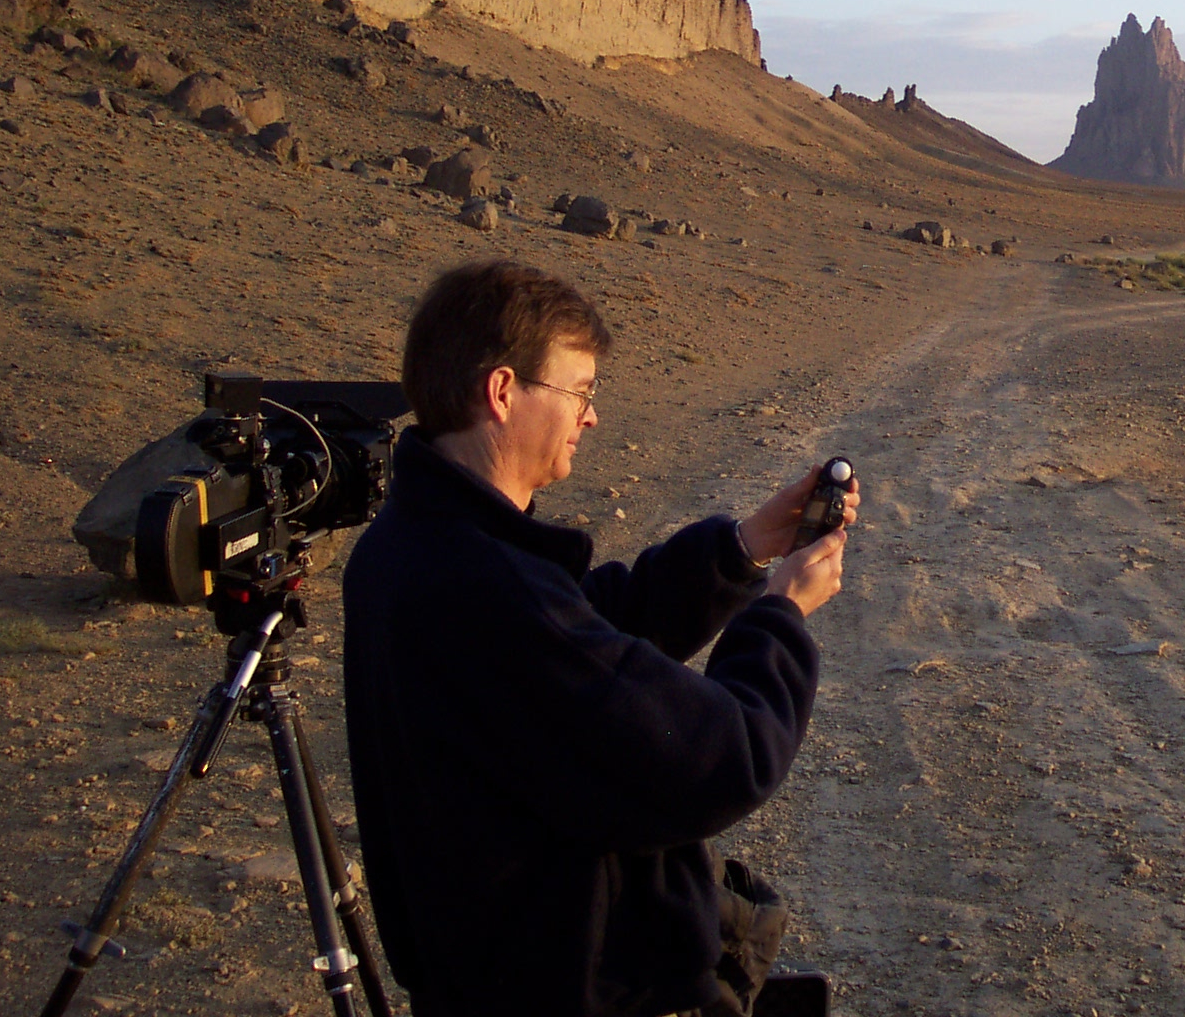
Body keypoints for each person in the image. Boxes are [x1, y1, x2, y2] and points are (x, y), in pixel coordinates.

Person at [342, 259, 853, 1017]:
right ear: (503, 392)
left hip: (479, 975)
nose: (591, 416)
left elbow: (586, 626)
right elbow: (724, 756)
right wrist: (779, 616)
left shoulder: (415, 542)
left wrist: (741, 549)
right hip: (560, 986)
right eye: (579, 392)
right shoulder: (491, 590)